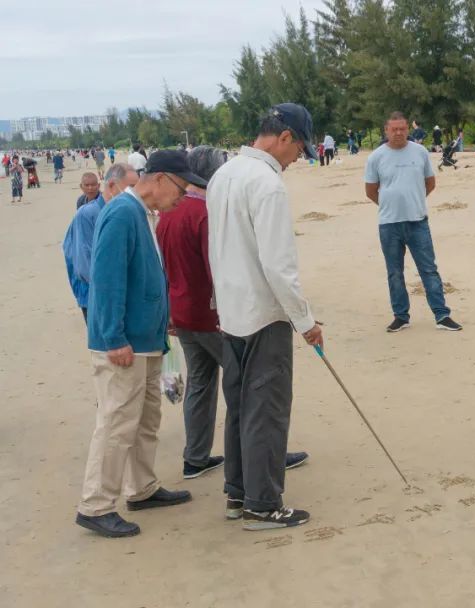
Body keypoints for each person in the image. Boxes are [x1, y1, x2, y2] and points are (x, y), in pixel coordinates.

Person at [156, 146, 311, 481]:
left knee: (201, 382)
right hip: (212, 314)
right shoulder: (202, 212)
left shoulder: (168, 212)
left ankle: (195, 456)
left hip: (181, 311)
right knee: (251, 388)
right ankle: (266, 456)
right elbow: (218, 266)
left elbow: (164, 267)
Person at [75, 150, 207, 538]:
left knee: (146, 420)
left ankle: (142, 488)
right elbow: (107, 278)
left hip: (147, 340)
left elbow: (147, 274)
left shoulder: (145, 214)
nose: (182, 198)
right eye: (181, 189)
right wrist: (113, 337)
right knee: (117, 423)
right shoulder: (121, 213)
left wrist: (162, 317)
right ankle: (96, 504)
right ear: (161, 180)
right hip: (123, 343)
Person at [207, 103, 323, 530]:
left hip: (231, 311)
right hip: (263, 313)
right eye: (299, 151)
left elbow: (217, 249)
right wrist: (306, 321)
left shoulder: (224, 173)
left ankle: (237, 493)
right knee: (267, 412)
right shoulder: (267, 183)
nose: (296, 160)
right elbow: (279, 265)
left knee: (239, 408)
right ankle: (263, 503)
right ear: (285, 137)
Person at [364, 111, 463, 333]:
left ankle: (442, 315)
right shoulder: (376, 157)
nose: (398, 132)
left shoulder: (420, 153)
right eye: (394, 129)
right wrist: (391, 204)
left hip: (418, 222)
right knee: (395, 272)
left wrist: (414, 201)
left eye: (402, 128)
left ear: (408, 129)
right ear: (386, 131)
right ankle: (401, 316)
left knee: (428, 269)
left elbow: (430, 182)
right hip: (389, 224)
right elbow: (371, 191)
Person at [63, 166, 138, 320]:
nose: (135, 193)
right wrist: (111, 292)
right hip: (96, 292)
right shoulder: (87, 213)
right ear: (111, 185)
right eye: (130, 188)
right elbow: (85, 262)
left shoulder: (119, 210)